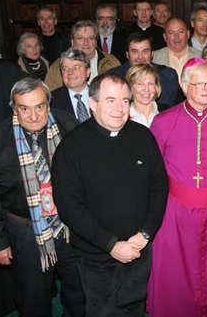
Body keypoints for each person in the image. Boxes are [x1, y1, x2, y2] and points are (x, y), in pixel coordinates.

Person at [52, 72, 168, 316]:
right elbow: (70, 208)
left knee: (134, 306)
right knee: (101, 311)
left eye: (125, 100)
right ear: (93, 104)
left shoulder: (143, 136)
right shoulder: (71, 147)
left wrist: (145, 233)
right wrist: (112, 245)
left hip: (140, 248)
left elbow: (159, 186)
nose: (120, 108)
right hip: (96, 256)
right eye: (111, 100)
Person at [0, 78, 85, 316]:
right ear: (14, 108)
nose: (34, 116)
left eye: (39, 106)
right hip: (24, 232)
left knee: (79, 291)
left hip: (69, 227)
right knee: (32, 297)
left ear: (49, 104)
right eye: (24, 108)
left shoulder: (68, 124)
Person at [147, 58, 207, 316]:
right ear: (183, 86)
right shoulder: (163, 121)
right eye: (199, 83)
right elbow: (154, 171)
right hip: (174, 212)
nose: (206, 88)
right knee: (176, 270)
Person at [108, 31, 181, 107]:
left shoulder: (168, 76)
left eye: (145, 51)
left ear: (152, 54)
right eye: (135, 51)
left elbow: (178, 109)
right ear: (127, 54)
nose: (140, 57)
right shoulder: (113, 77)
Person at [44, 20, 120, 91]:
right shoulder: (57, 66)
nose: (86, 43)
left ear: (96, 41)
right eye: (80, 38)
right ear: (72, 42)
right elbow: (51, 96)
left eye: (90, 38)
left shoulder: (111, 61)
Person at [50, 49, 92, 122]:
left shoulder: (100, 95)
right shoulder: (52, 100)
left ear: (88, 71)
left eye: (76, 67)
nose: (70, 72)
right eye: (65, 69)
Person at [126, 63, 163, 127]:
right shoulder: (123, 116)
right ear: (130, 87)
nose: (146, 89)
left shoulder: (167, 112)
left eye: (151, 83)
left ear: (156, 87)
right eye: (140, 84)